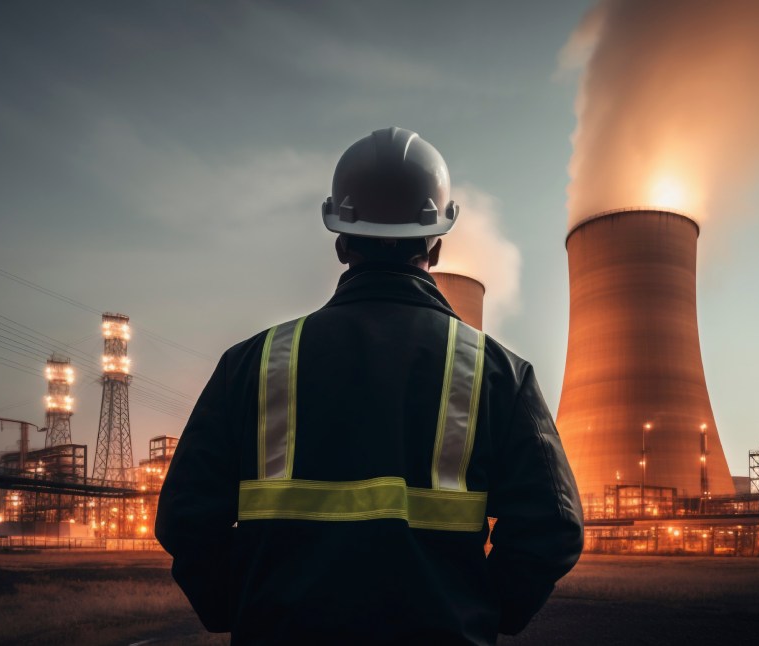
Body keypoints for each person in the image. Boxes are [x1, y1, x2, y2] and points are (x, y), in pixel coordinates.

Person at [155, 127, 583, 645]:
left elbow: (186, 517)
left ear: (341, 241)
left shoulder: (254, 364)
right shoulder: (497, 373)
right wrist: (480, 613)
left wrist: (238, 608)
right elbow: (554, 526)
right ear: (437, 246)